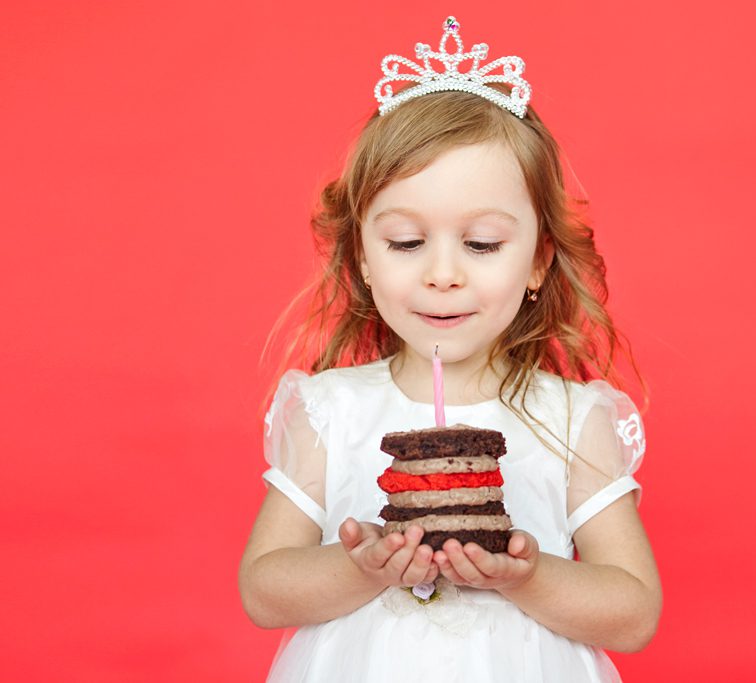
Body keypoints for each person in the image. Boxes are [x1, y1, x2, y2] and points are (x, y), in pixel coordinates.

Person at [239, 16, 662, 683]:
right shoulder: (330, 410)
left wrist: (525, 575)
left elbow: (633, 610)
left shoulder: (572, 419)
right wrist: (359, 565)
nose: (442, 272)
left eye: (482, 244)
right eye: (406, 242)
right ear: (364, 260)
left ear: (536, 261)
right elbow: (263, 590)